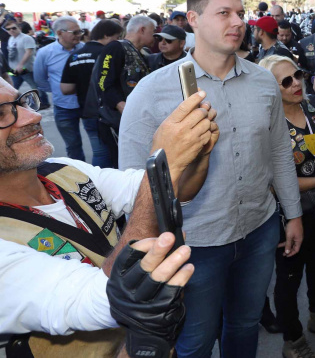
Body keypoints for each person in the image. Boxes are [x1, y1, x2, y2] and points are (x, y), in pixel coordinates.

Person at [118, 0, 304, 358]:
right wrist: (145, 247)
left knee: (245, 325)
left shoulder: (264, 82)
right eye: (224, 13)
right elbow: (132, 181)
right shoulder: (153, 91)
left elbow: (279, 154)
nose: (237, 21)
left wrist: (294, 215)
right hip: (194, 244)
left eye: (240, 13)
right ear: (193, 19)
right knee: (195, 341)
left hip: (258, 230)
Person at [0, 81, 218, 357]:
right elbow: (102, 299)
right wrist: (165, 163)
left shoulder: (65, 171)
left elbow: (173, 190)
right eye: (1, 114)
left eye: (22, 102)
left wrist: (198, 154)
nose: (34, 116)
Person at [260, 55, 315, 358]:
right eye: (286, 81)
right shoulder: (267, 123)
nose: (296, 83)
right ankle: (293, 340)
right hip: (288, 214)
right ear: (270, 88)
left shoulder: (312, 106)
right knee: (288, 278)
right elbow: (271, 181)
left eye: (297, 75)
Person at [91, 15, 155, 166]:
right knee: (121, 164)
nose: (155, 37)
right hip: (118, 122)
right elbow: (104, 83)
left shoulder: (142, 52)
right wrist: (123, 107)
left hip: (134, 120)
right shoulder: (115, 47)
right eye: (153, 32)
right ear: (142, 30)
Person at [59, 19, 124, 169]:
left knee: (99, 152)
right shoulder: (108, 53)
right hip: (108, 112)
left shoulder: (75, 55)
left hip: (87, 112)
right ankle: (103, 186)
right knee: (111, 155)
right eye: (117, 37)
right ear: (107, 35)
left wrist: (84, 85)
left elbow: (65, 88)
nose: (119, 42)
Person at [33, 17, 87, 161]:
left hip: (88, 104)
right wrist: (59, 90)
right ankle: (80, 176)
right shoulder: (45, 52)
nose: (79, 35)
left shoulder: (85, 48)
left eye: (80, 31)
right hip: (63, 106)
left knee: (99, 142)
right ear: (59, 33)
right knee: (73, 145)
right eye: (74, 32)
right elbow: (40, 79)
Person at [7, 22, 50, 108]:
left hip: (26, 68)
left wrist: (21, 64)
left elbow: (29, 52)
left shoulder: (26, 38)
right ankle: (10, 103)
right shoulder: (11, 39)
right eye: (8, 29)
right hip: (14, 70)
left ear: (19, 27)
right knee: (12, 87)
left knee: (35, 86)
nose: (11, 30)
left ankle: (44, 102)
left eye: (14, 28)